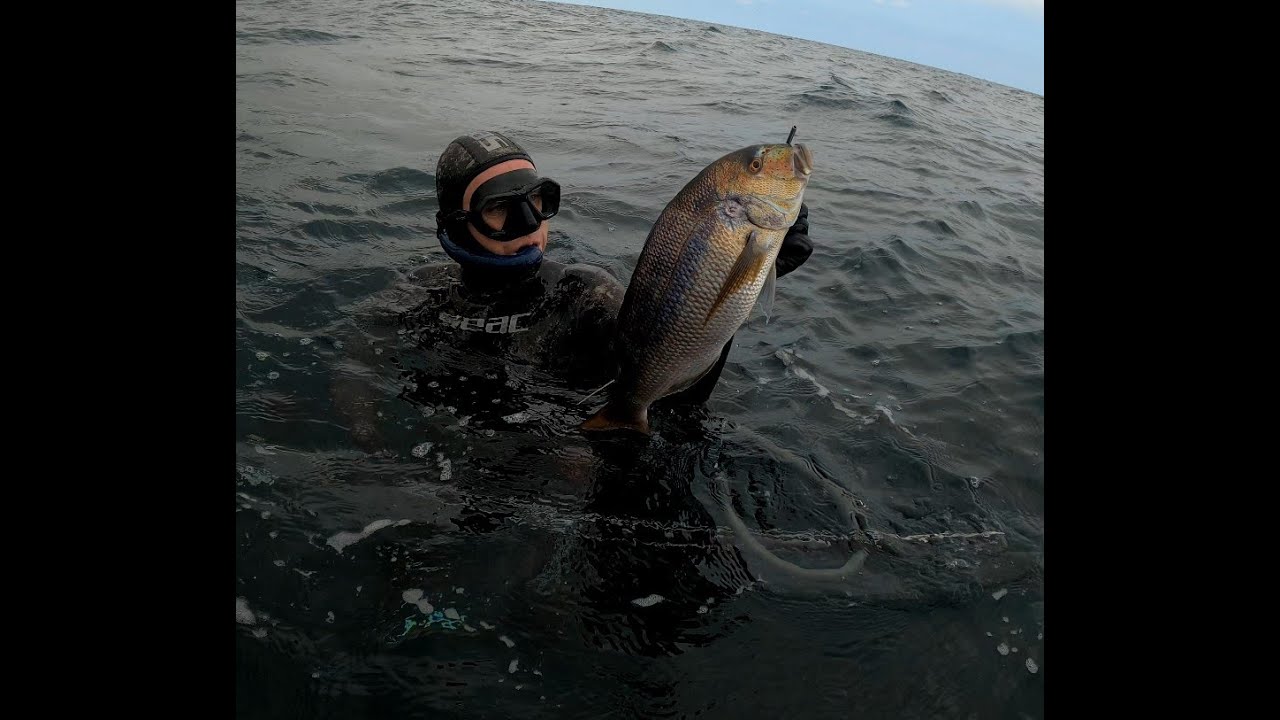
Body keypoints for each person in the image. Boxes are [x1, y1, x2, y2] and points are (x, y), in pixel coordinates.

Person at [332, 130, 813, 446]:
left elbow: (669, 398)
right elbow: (356, 365)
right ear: (458, 225)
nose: (527, 224)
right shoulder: (417, 294)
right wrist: (368, 440)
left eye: (539, 200)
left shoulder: (585, 294)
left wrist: (730, 290)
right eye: (500, 208)